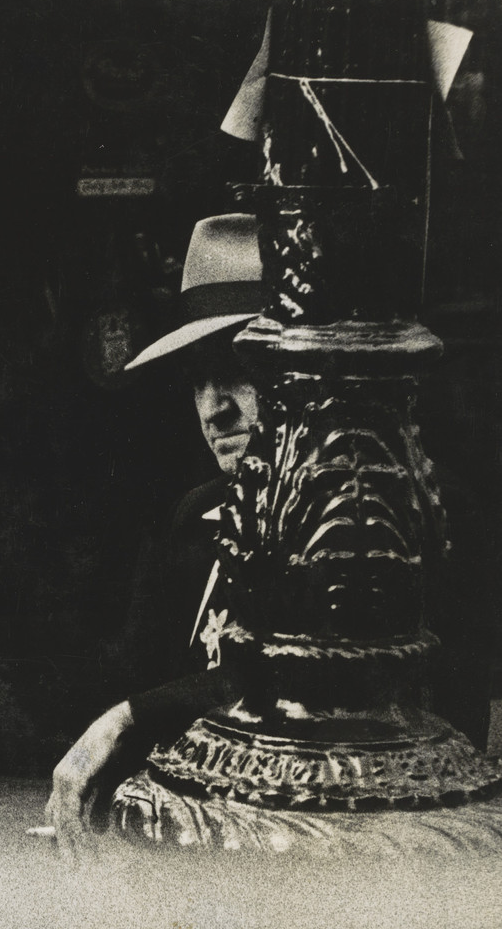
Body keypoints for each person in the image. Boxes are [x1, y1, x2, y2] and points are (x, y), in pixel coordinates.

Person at [44, 211, 490, 853]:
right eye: (197, 379)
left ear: (302, 372)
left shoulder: (405, 502)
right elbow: (140, 673)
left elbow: (345, 691)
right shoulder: (194, 515)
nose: (212, 408)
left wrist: (132, 717)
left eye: (235, 374)